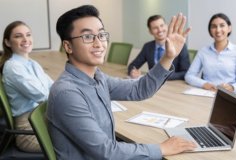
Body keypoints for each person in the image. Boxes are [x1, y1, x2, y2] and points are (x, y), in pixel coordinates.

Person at [47, 5, 196, 160]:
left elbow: (140, 89)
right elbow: (107, 152)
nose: (99, 43)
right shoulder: (68, 93)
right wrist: (162, 148)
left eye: (101, 35)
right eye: (88, 37)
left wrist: (168, 57)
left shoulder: (98, 78)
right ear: (68, 46)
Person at [0, 21, 53, 152]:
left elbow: (53, 87)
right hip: (30, 132)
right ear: (7, 42)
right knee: (78, 143)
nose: (25, 39)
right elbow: (41, 95)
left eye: (28, 35)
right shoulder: (13, 67)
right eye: (18, 36)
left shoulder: (32, 63)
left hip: (43, 121)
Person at [185, 13, 236, 93]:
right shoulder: (203, 51)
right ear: (210, 31)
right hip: (207, 94)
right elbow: (189, 76)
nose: (218, 30)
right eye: (214, 26)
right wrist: (205, 84)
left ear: (229, 28)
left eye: (222, 25)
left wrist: (232, 87)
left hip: (229, 96)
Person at [127, 15, 190, 80]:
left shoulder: (179, 46)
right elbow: (132, 65)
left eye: (162, 26)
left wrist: (164, 76)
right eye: (155, 28)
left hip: (173, 85)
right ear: (150, 31)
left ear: (166, 26)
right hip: (153, 86)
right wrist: (132, 71)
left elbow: (186, 72)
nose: (160, 30)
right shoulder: (148, 47)